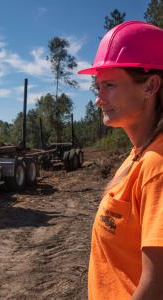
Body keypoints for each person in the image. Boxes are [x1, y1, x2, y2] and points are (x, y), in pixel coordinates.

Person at [78, 21, 163, 299]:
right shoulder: (137, 154)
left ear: (150, 86)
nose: (98, 99)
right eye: (98, 87)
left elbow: (156, 287)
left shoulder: (157, 166)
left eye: (110, 85)